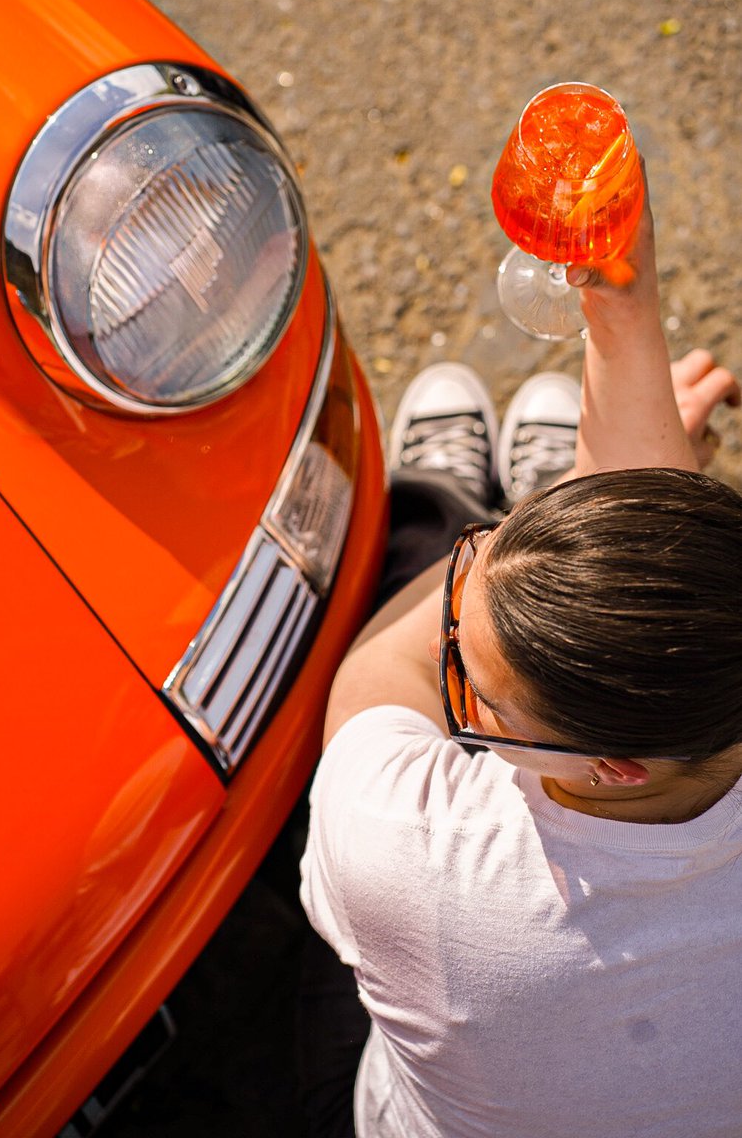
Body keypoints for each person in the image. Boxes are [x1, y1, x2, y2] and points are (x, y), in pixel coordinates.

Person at [297, 177, 742, 1138]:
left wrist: (586, 485)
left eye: (475, 694)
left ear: (614, 768)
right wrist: (624, 322)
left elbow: (381, 676)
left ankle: (452, 500)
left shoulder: (409, 855)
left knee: (408, 559)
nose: (454, 665)